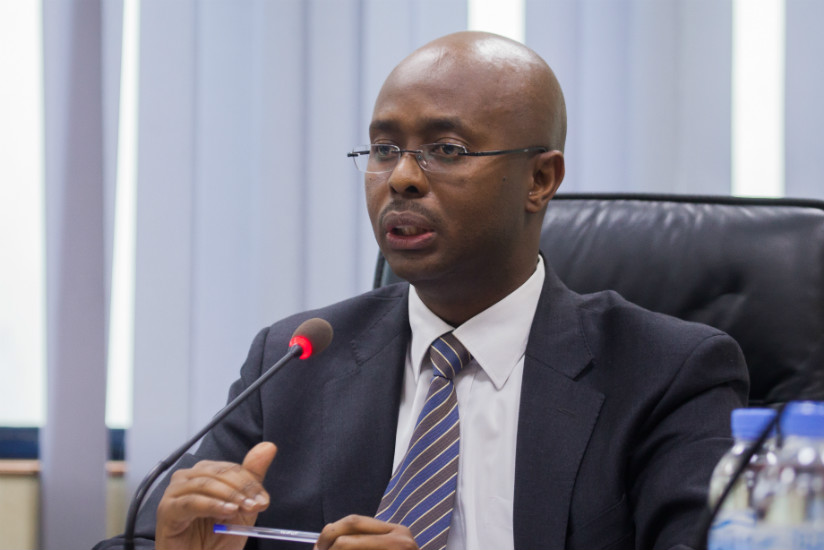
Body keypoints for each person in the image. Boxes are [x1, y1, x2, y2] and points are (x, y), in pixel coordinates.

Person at [97, 31, 748, 550]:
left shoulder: (665, 372)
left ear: (540, 179)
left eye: (445, 148)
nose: (401, 177)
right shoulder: (296, 359)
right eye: (383, 149)